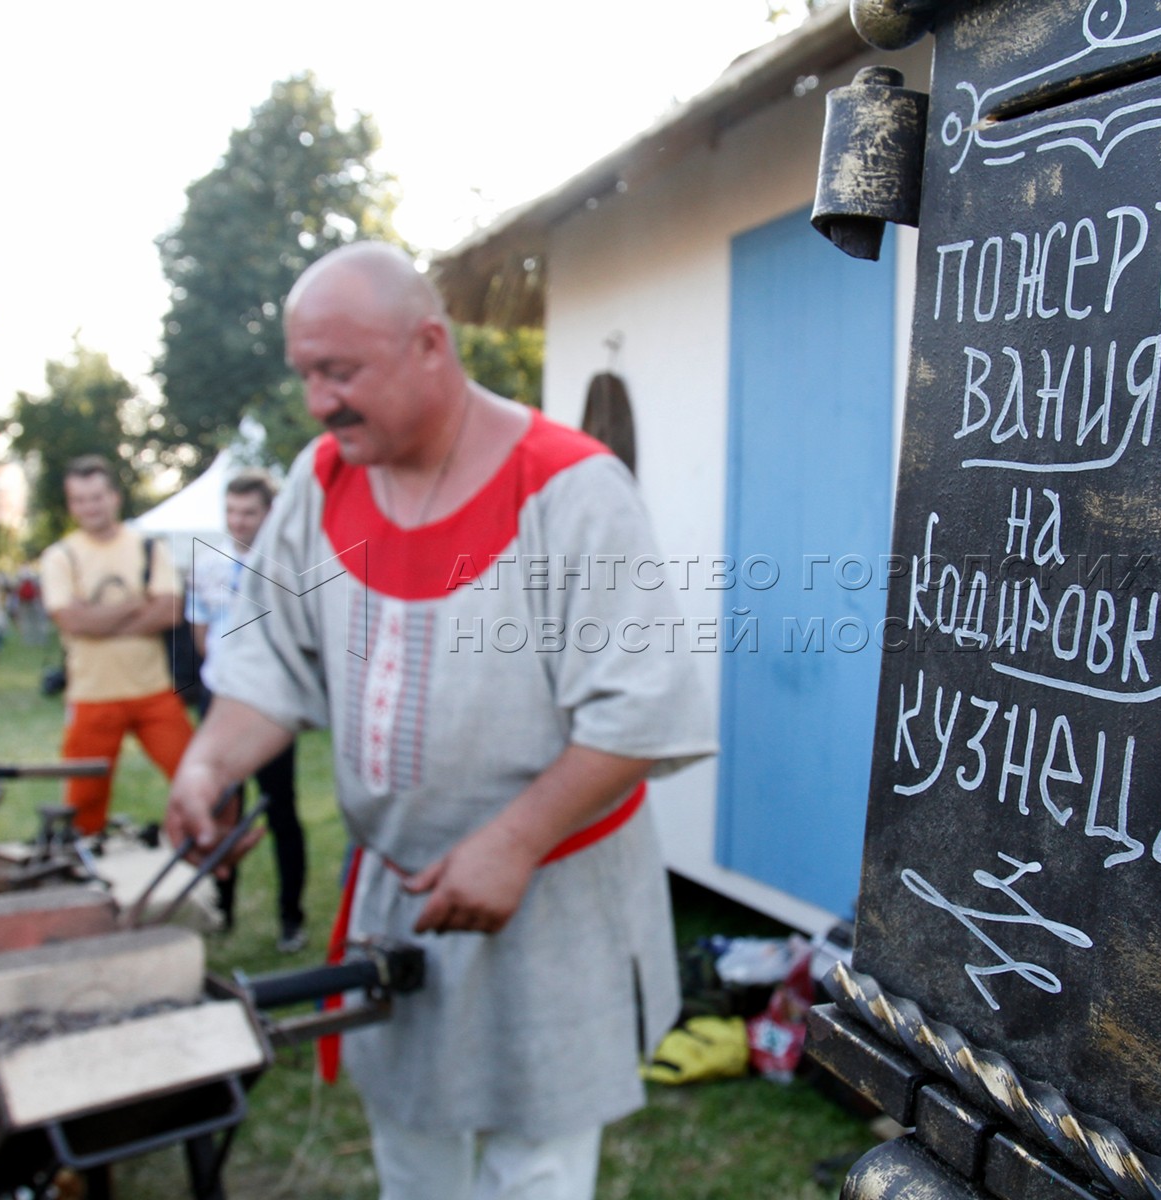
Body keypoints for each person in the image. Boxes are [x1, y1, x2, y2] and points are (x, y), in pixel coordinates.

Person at [166, 243, 714, 1200]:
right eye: (306, 374)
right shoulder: (323, 481)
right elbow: (268, 664)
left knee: (534, 1172)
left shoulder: (569, 487)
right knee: (414, 1162)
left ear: (429, 344)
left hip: (551, 894)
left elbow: (641, 708)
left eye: (341, 372)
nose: (319, 402)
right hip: (403, 901)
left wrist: (514, 841)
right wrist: (210, 763)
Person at [39, 457, 194, 833]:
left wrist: (96, 620)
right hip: (92, 695)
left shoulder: (147, 547)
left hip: (153, 691)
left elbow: (171, 611)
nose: (89, 507)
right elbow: (70, 620)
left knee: (195, 777)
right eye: (79, 500)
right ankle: (84, 858)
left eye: (96, 497)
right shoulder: (61, 556)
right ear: (71, 504)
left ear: (114, 497)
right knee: (83, 802)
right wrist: (137, 604)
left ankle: (213, 854)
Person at [185, 469, 306, 949]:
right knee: (219, 806)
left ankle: (291, 917)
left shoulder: (287, 568)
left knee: (280, 809)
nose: (238, 521)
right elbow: (200, 630)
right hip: (220, 694)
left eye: (248, 512)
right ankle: (223, 907)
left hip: (271, 700)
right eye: (231, 512)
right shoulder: (207, 565)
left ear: (269, 513)